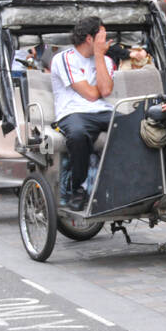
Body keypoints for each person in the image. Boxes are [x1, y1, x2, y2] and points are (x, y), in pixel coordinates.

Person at [51, 15, 115, 210]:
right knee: (78, 135)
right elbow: (90, 94)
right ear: (90, 39)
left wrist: (98, 57)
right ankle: (77, 187)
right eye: (102, 36)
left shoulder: (106, 61)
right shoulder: (64, 59)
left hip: (102, 111)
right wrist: (95, 88)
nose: (106, 41)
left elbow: (104, 91)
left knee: (131, 125)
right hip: (72, 113)